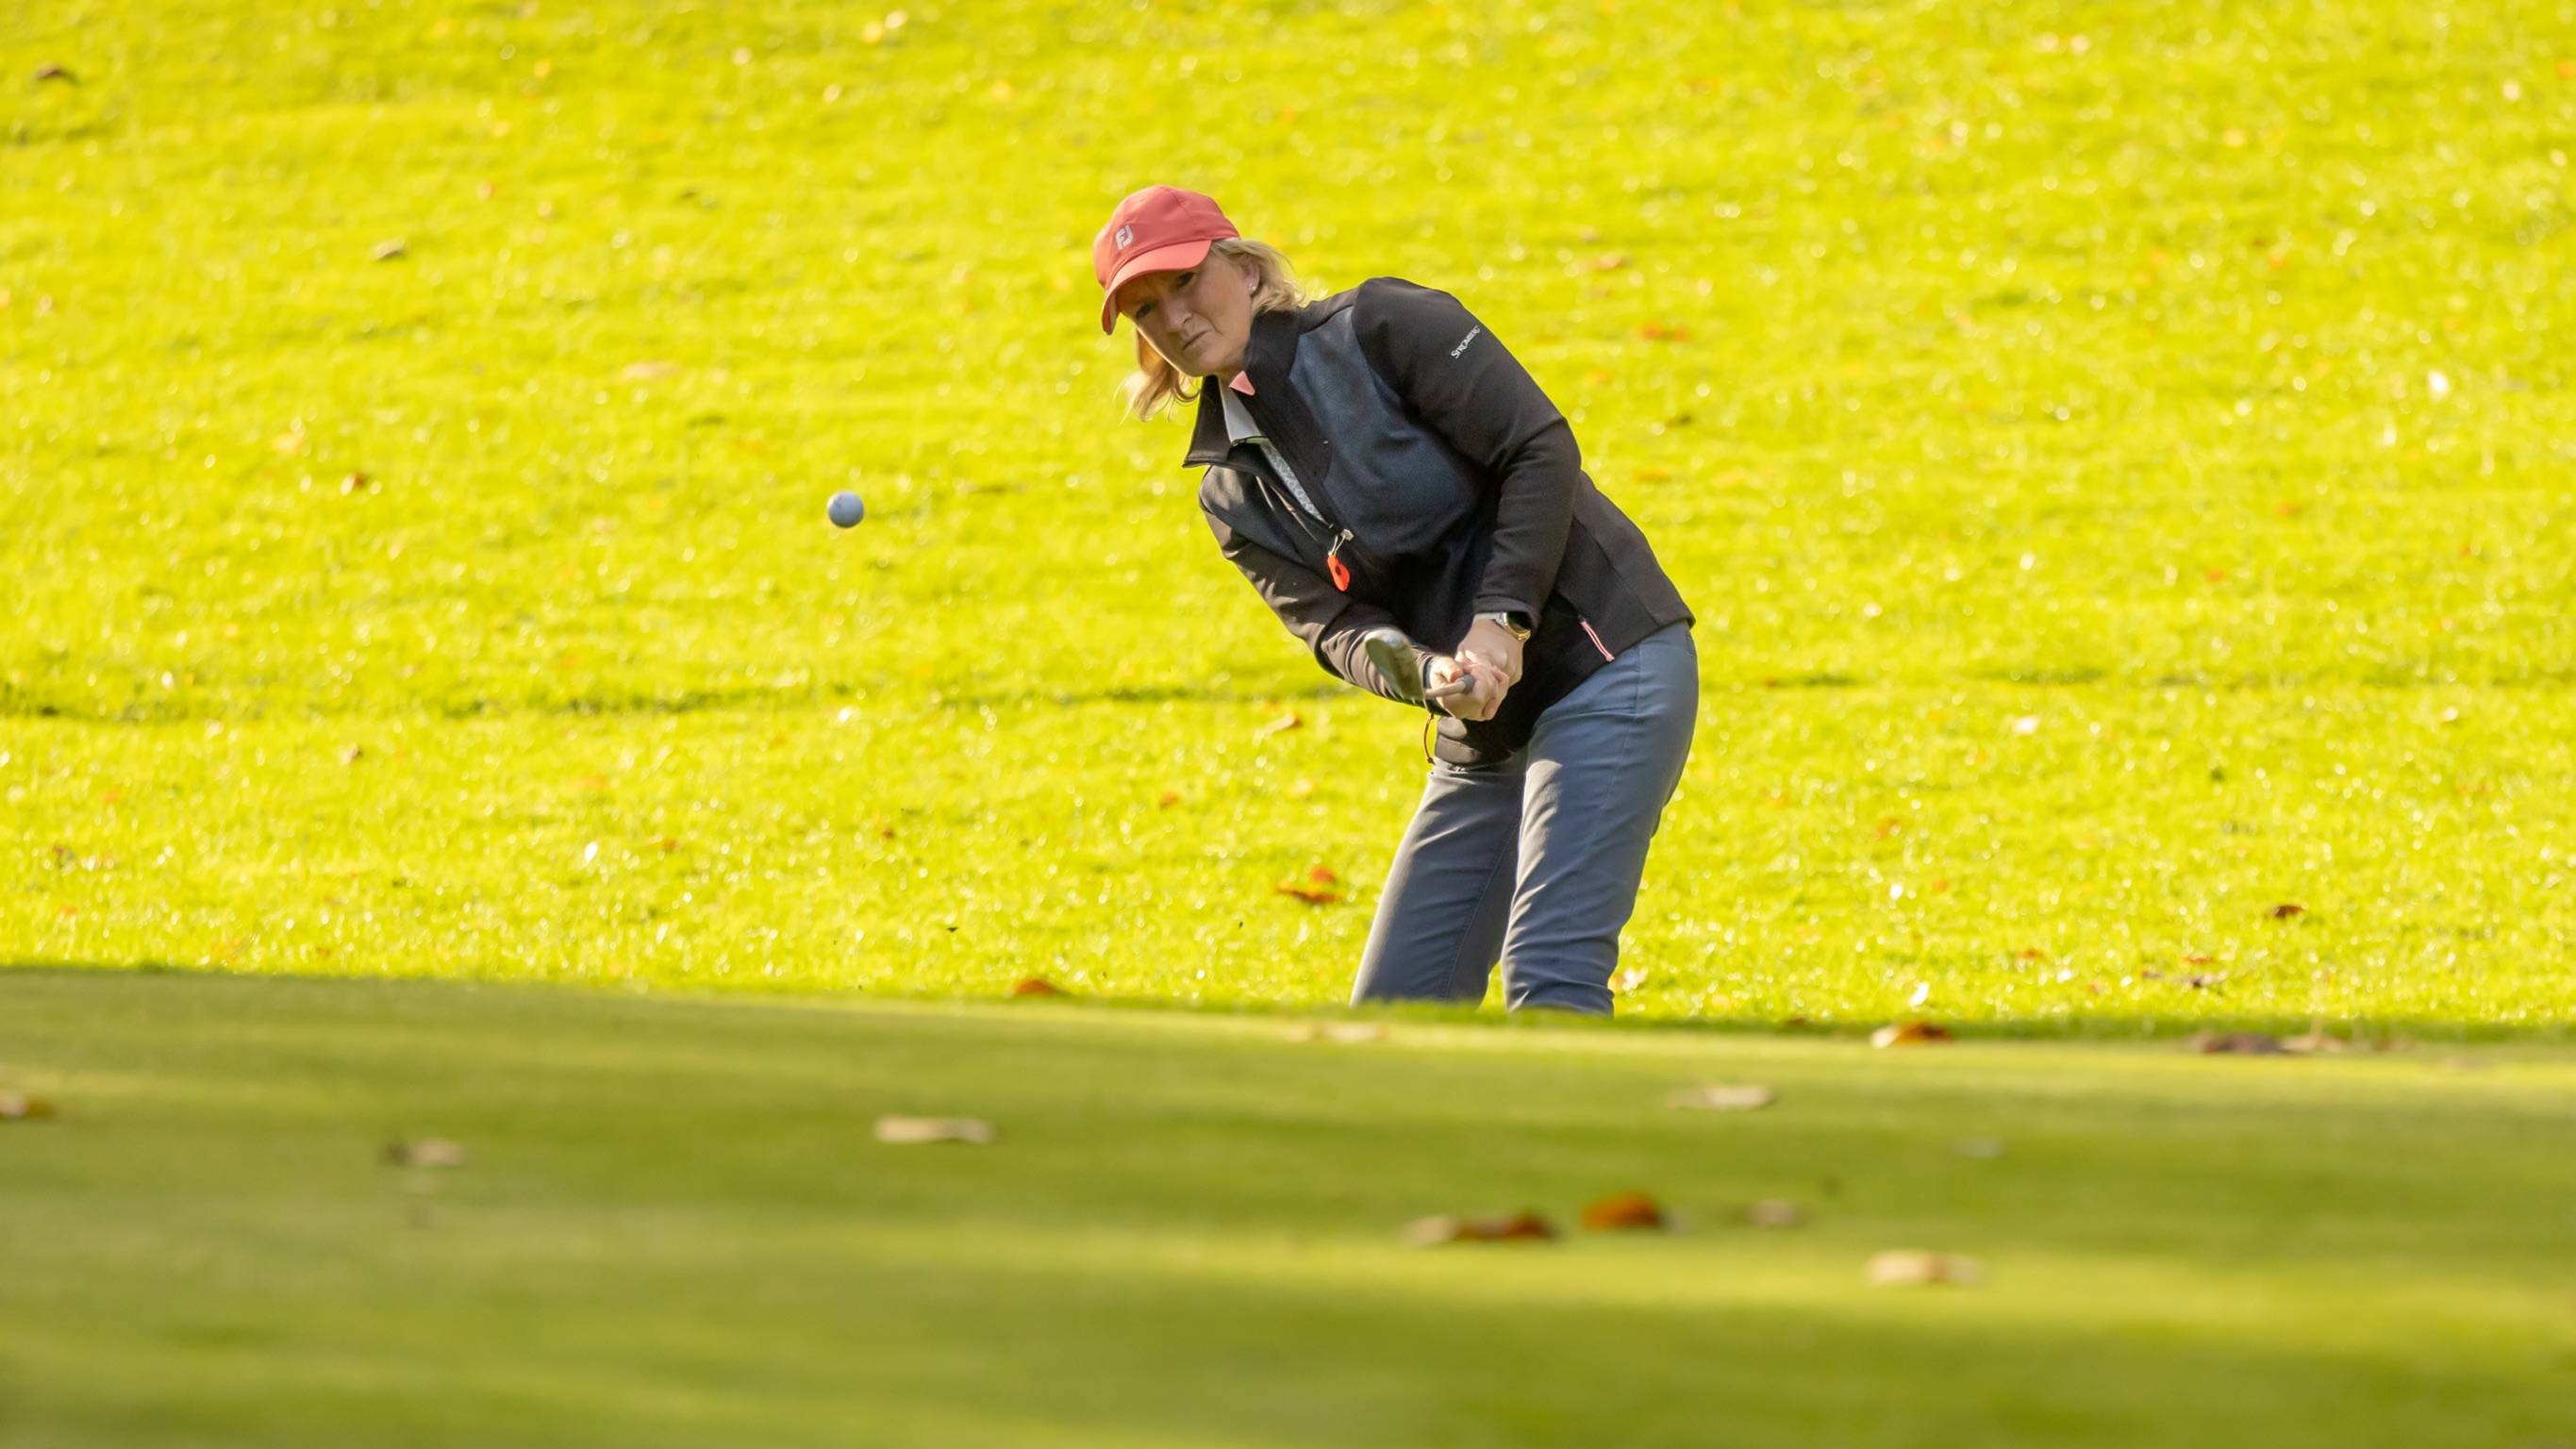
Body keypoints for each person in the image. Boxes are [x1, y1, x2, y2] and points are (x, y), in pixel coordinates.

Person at [1094, 184, 1697, 1015]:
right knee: (1395, 1014)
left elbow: (1538, 450)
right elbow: (1335, 629)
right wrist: (1425, 673)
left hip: (1605, 662)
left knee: (1549, 976)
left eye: (1185, 283)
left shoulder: (1382, 327)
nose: (1173, 319)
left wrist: (1501, 622)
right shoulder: (1229, 495)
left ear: (1241, 266)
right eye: (1145, 311)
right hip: (1482, 728)